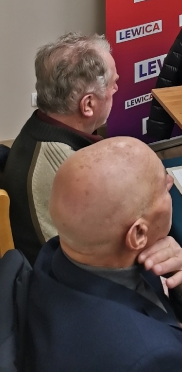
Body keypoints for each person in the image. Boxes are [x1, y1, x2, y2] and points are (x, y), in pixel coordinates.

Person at [25, 137, 182, 371]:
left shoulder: (60, 252)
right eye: (163, 188)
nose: (170, 182)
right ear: (138, 234)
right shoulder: (148, 357)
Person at [2, 32, 118, 264]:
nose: (115, 88)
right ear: (88, 104)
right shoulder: (71, 171)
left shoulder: (36, 127)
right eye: (113, 83)